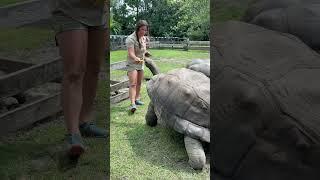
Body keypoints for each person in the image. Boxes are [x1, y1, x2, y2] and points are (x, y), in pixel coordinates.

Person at [50, 0, 108, 158]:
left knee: (94, 68)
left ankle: (84, 122)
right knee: (74, 71)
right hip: (70, 10)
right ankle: (73, 134)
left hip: (98, 12)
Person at [126, 20, 150, 113]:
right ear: (138, 29)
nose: (144, 32)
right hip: (132, 64)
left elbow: (143, 50)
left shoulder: (143, 38)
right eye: (142, 30)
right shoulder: (130, 39)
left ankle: (137, 99)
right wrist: (136, 58)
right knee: (133, 84)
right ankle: (132, 104)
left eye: (145, 30)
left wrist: (146, 53)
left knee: (139, 83)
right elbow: (131, 53)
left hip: (141, 63)